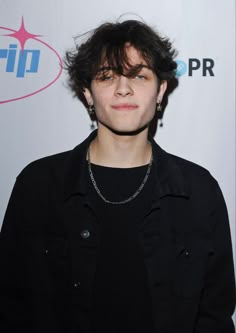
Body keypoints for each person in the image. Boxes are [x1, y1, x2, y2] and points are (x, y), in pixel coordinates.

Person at [0, 19, 235, 333]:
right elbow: (12, 308)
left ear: (160, 89)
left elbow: (215, 318)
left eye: (139, 75)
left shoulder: (198, 190)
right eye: (107, 76)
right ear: (87, 93)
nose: (123, 88)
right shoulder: (39, 185)